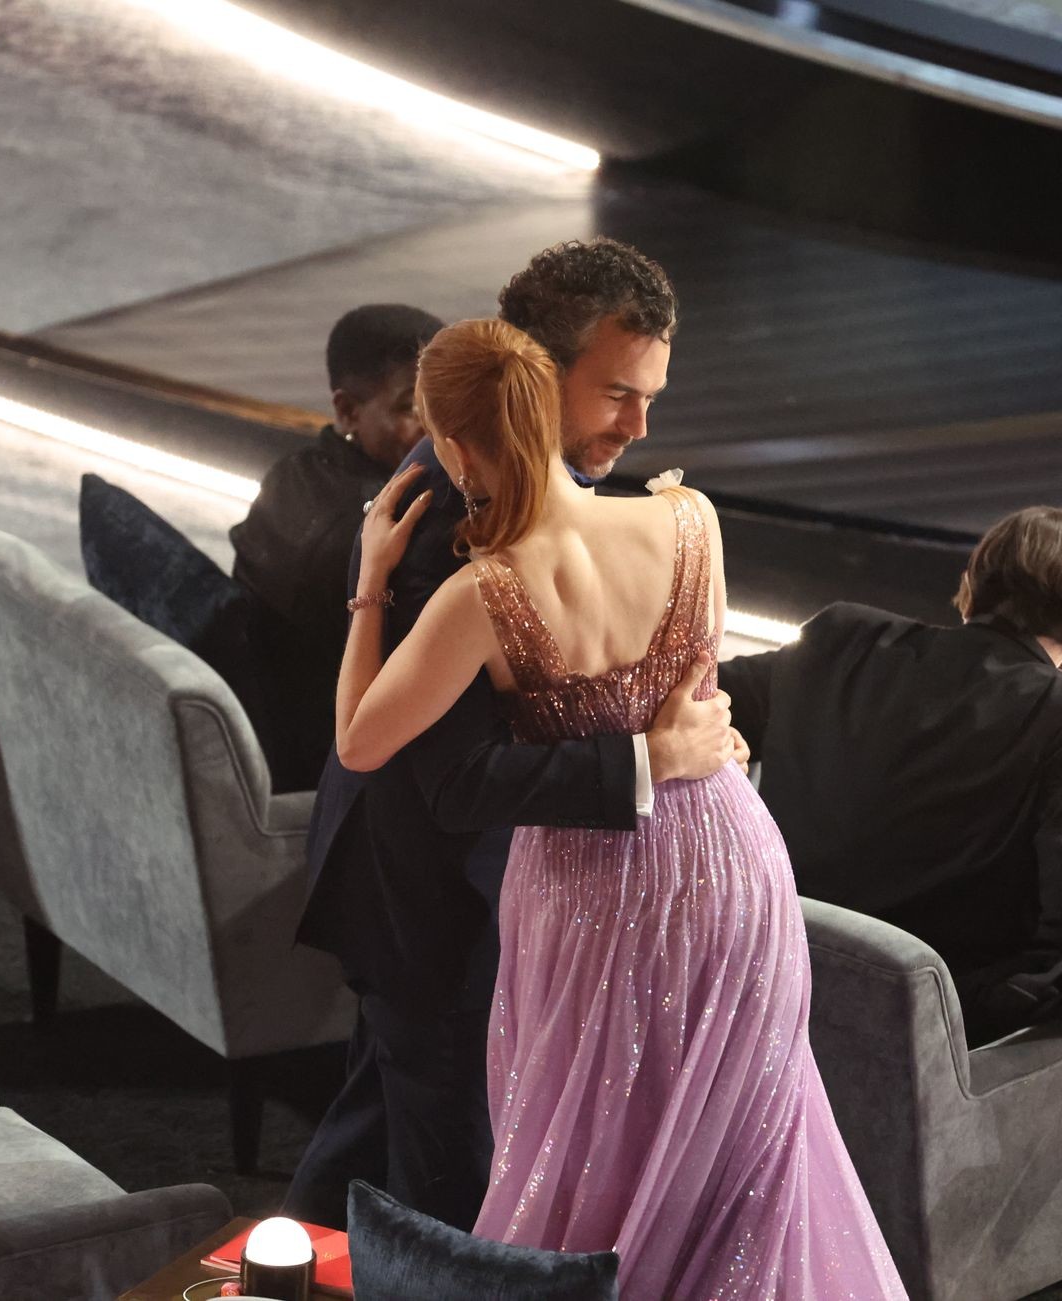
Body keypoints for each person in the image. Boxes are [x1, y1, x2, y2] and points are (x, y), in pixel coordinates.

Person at [333, 316, 906, 1299]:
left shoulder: (482, 596)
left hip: (589, 892)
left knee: (589, 1160)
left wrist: (371, 584)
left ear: (457, 447)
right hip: (731, 865)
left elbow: (359, 740)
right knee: (747, 1168)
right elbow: (698, 693)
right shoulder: (691, 520)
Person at [286, 240, 738, 1230]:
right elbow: (453, 776)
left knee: (379, 1136)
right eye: (617, 393)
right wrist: (655, 757)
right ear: (536, 370)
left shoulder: (530, 487)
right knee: (450, 1180)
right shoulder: (454, 518)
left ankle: (270, 1271)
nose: (640, 425)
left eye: (651, 396)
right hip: (436, 898)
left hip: (462, 892)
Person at [717, 507, 1062, 1048]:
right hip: (954, 1015)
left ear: (972, 585)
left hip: (785, 959)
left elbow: (704, 697)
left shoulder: (843, 640)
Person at [230, 305, 445, 792]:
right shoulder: (387, 534)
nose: (440, 426)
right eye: (412, 409)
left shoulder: (291, 473)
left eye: (447, 398)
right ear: (348, 411)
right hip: (342, 778)